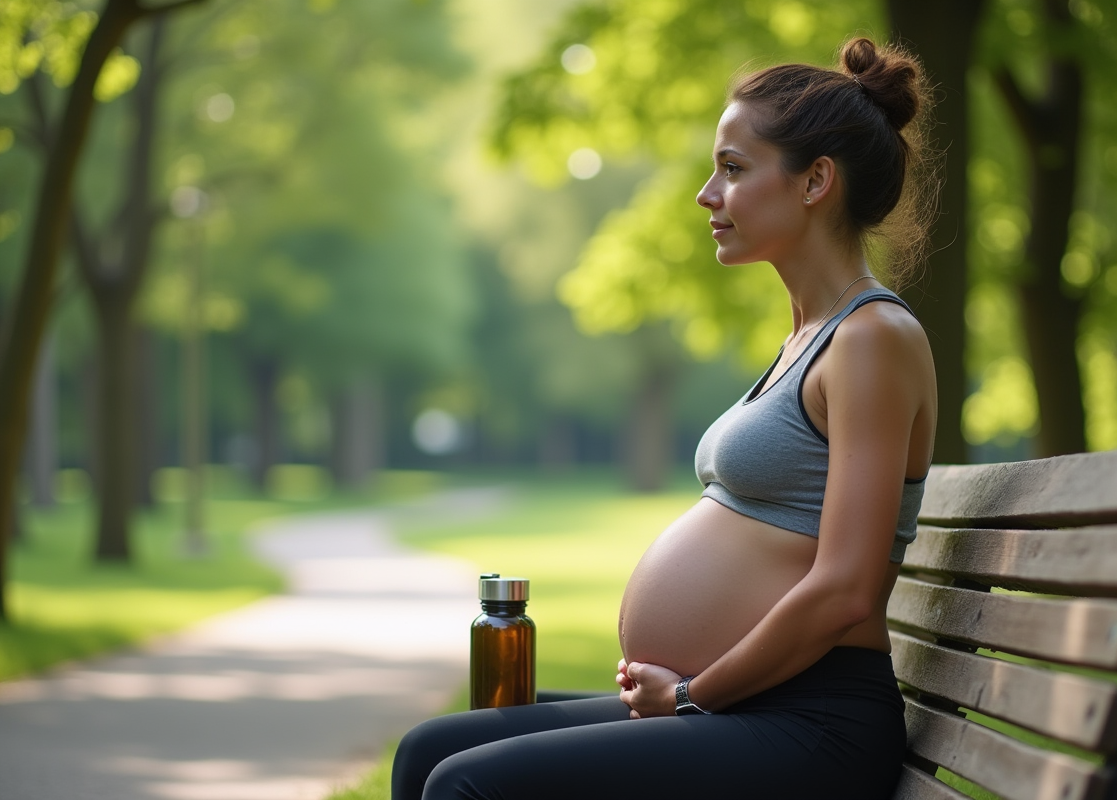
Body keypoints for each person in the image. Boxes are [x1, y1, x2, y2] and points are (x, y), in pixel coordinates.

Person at [392, 35, 939, 800]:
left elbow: (845, 589)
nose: (707, 194)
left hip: (810, 722)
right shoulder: (810, 339)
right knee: (427, 751)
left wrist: (689, 696)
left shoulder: (873, 338)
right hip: (746, 704)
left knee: (466, 785)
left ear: (816, 180)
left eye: (733, 169)